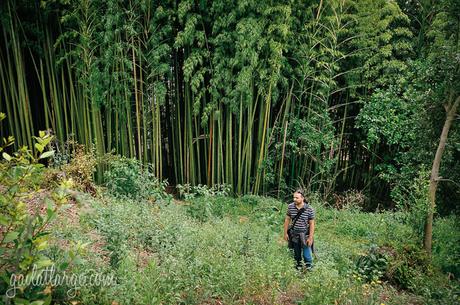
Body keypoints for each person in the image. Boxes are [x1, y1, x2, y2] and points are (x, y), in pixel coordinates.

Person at [283, 189, 315, 270]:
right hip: (294, 234)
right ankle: (298, 268)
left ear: (302, 198)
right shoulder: (290, 207)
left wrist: (310, 238)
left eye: (297, 198)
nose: (294, 199)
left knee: (307, 254)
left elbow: (311, 224)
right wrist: (285, 233)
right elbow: (287, 220)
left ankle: (309, 269)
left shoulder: (309, 209)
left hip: (305, 235)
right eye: (294, 197)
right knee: (297, 254)